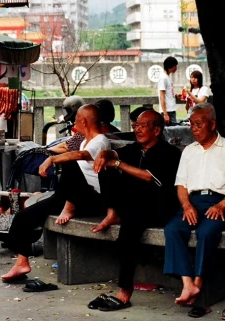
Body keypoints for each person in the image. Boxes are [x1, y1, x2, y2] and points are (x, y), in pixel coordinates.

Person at [0, 104, 110, 283]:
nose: (74, 123)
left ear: (83, 121)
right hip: (68, 193)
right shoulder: (83, 140)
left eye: (76, 120)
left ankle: (70, 205)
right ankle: (21, 262)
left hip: (92, 198)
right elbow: (71, 150)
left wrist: (52, 159)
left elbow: (80, 156)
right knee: (23, 217)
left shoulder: (101, 141)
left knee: (70, 161)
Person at [87, 109, 182, 312]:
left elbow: (149, 177)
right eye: (135, 126)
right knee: (105, 167)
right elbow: (114, 155)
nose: (137, 130)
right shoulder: (135, 149)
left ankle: (125, 291)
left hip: (158, 208)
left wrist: (119, 163)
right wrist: (106, 154)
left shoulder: (170, 153)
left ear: (157, 130)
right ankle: (113, 212)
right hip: (134, 204)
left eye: (142, 126)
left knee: (127, 234)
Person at [163, 103, 225, 313]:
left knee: (206, 232)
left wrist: (223, 204)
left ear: (212, 124)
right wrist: (186, 205)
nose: (194, 128)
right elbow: (181, 184)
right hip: (192, 202)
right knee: (173, 229)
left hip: (218, 203)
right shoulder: (189, 151)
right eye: (191, 124)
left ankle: (198, 284)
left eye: (199, 124)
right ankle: (187, 283)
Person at [158, 56, 178, 125]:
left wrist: (176, 95)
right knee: (170, 133)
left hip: (171, 109)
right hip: (168, 111)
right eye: (175, 66)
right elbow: (162, 96)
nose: (176, 68)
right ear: (170, 66)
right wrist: (165, 114)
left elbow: (168, 93)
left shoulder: (167, 77)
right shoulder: (163, 78)